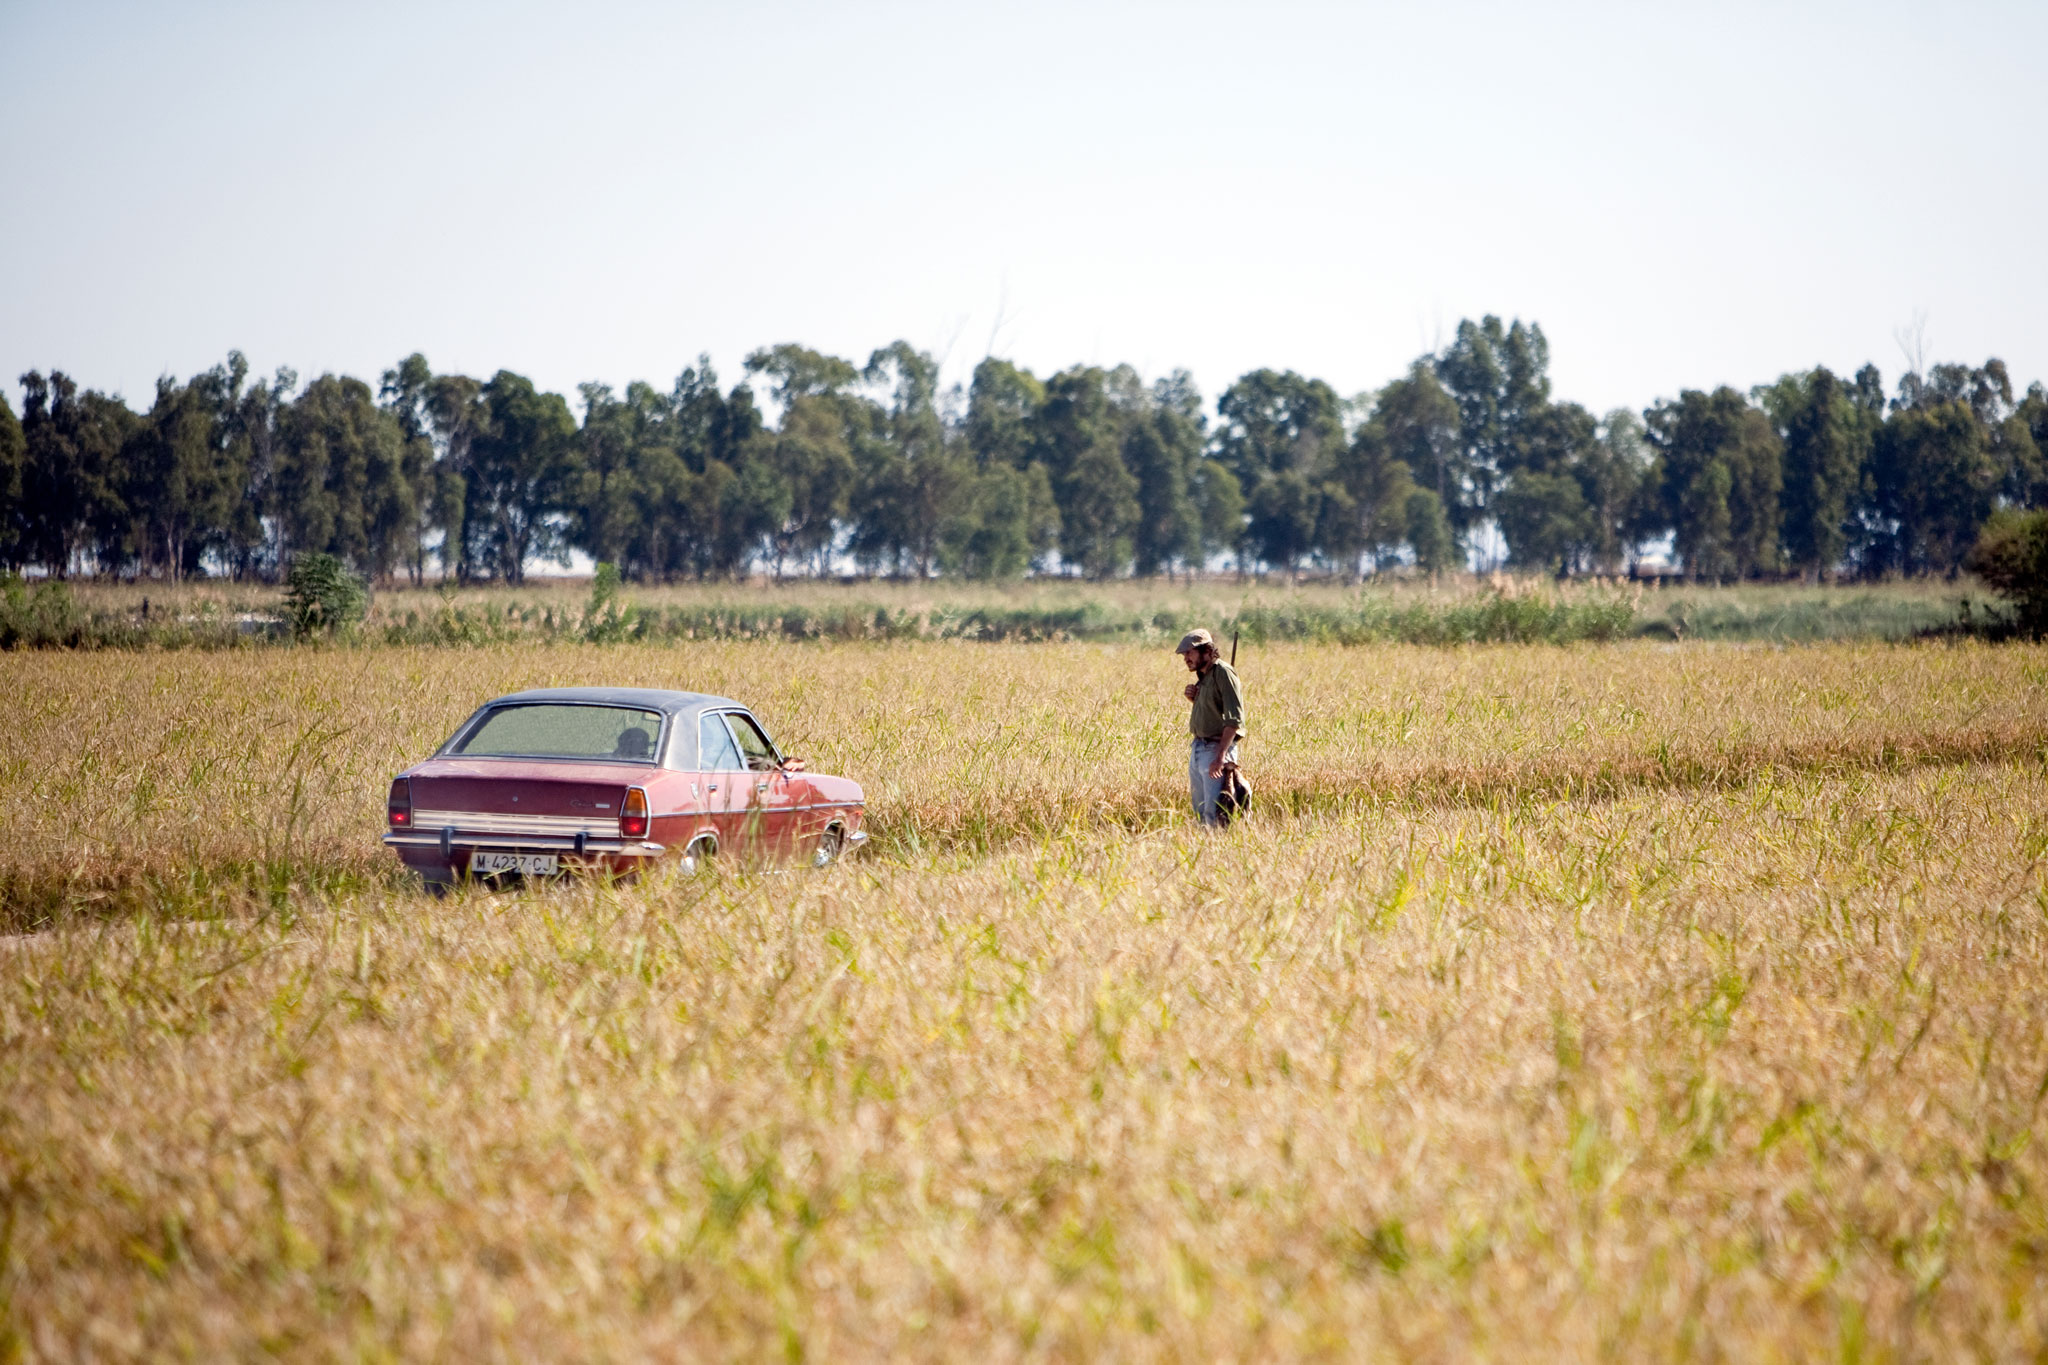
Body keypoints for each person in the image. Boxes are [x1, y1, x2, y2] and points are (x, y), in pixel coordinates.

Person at [1174, 627, 1246, 826]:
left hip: (1215, 750)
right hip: (1198, 748)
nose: (1186, 658)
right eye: (1184, 654)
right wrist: (1194, 699)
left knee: (1216, 813)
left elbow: (1234, 720)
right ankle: (1205, 852)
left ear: (1206, 651)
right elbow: (1215, 711)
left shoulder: (1224, 672)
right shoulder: (1204, 675)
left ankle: (1220, 852)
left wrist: (1220, 757)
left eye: (1189, 652)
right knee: (1201, 813)